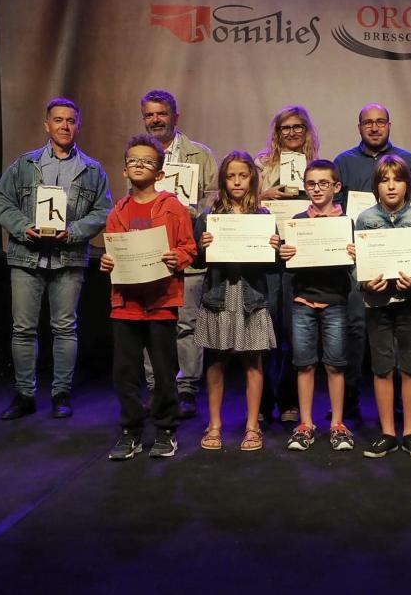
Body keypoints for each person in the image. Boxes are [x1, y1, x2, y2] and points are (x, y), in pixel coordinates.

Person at [0, 98, 111, 420]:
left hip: (68, 258)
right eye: (58, 120)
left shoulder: (92, 169)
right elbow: (0, 198)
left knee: (65, 328)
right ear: (47, 125)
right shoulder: (25, 164)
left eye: (70, 120)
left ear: (78, 125)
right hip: (26, 256)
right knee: (23, 329)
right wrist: (22, 227)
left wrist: (72, 231)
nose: (64, 126)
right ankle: (24, 395)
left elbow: (103, 211)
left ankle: (61, 393)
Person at [99, 134, 197, 460]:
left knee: (164, 372)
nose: (139, 165)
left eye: (147, 161)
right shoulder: (118, 212)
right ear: (125, 170)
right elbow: (112, 252)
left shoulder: (172, 207)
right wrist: (106, 262)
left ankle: (166, 429)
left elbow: (189, 248)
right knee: (124, 372)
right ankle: (131, 430)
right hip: (126, 304)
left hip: (161, 302)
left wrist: (178, 258)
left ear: (159, 171)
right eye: (133, 161)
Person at [334, 103, 411, 420]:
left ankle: (399, 403)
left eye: (380, 121)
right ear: (359, 127)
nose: (374, 127)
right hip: (362, 262)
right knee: (359, 332)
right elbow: (334, 210)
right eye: (368, 122)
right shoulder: (342, 162)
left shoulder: (407, 160)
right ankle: (353, 399)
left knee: (403, 341)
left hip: (403, 267)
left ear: (389, 124)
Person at [193, 151, 281, 452]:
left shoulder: (263, 217)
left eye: (243, 175)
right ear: (223, 180)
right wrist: (203, 247)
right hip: (219, 296)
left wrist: (273, 248)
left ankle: (252, 426)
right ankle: (214, 425)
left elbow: (274, 265)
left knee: (253, 363)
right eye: (231, 176)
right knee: (216, 362)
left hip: (250, 298)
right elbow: (198, 260)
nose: (237, 181)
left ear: (252, 178)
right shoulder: (209, 217)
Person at [140, 89, 217, 419]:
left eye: (162, 113)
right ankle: (156, 385)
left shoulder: (200, 155)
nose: (156, 119)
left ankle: (186, 389)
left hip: (188, 251)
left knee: (187, 323)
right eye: (150, 115)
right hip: (151, 252)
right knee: (152, 321)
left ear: (175, 116)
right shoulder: (141, 155)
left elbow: (216, 195)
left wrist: (192, 212)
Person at [356, 156, 411, 459]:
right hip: (377, 304)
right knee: (381, 367)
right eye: (384, 180)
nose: (391, 186)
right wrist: (365, 283)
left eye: (397, 179)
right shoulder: (365, 219)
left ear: (408, 184)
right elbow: (357, 265)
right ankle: (388, 433)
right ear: (376, 186)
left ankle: (410, 433)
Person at [277, 160, 357, 451]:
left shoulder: (347, 222)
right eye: (311, 184)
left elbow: (357, 264)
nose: (317, 189)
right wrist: (284, 253)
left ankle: (337, 423)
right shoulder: (298, 220)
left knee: (336, 364)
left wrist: (355, 253)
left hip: (335, 301)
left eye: (324, 183)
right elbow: (287, 263)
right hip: (303, 301)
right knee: (304, 363)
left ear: (336, 187)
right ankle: (306, 423)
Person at [256, 105, 322, 424]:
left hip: (302, 259)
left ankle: (289, 400)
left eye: (298, 127)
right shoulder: (260, 165)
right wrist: (264, 193)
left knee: (296, 335)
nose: (292, 133)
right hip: (268, 259)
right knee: (267, 333)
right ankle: (263, 400)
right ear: (276, 133)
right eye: (285, 128)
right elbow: (240, 201)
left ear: (307, 131)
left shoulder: (318, 167)